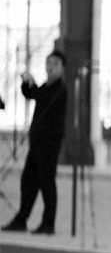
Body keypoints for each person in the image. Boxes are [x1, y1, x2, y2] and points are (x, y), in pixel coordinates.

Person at [2, 50, 69, 235]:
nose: (50, 67)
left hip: (49, 144)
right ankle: (21, 219)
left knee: (46, 182)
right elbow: (31, 93)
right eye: (49, 63)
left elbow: (40, 96)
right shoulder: (47, 86)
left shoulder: (60, 89)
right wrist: (26, 82)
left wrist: (32, 84)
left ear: (62, 68)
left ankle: (48, 223)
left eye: (55, 64)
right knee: (29, 180)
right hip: (37, 142)